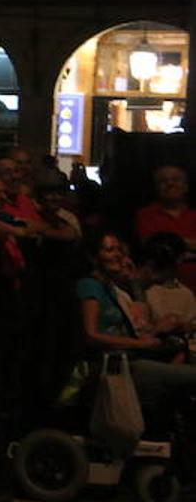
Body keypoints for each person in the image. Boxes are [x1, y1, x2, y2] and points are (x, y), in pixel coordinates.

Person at [76, 231, 196, 404]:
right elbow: (90, 335)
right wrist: (140, 343)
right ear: (93, 256)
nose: (118, 255)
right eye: (110, 250)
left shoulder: (110, 288)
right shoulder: (90, 285)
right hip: (111, 365)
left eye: (119, 249)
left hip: (129, 359)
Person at [134, 164, 196, 292]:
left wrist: (172, 245)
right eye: (163, 181)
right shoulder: (146, 215)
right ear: (156, 187)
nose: (170, 184)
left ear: (186, 186)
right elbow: (154, 248)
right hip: (162, 292)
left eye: (176, 179)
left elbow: (166, 246)